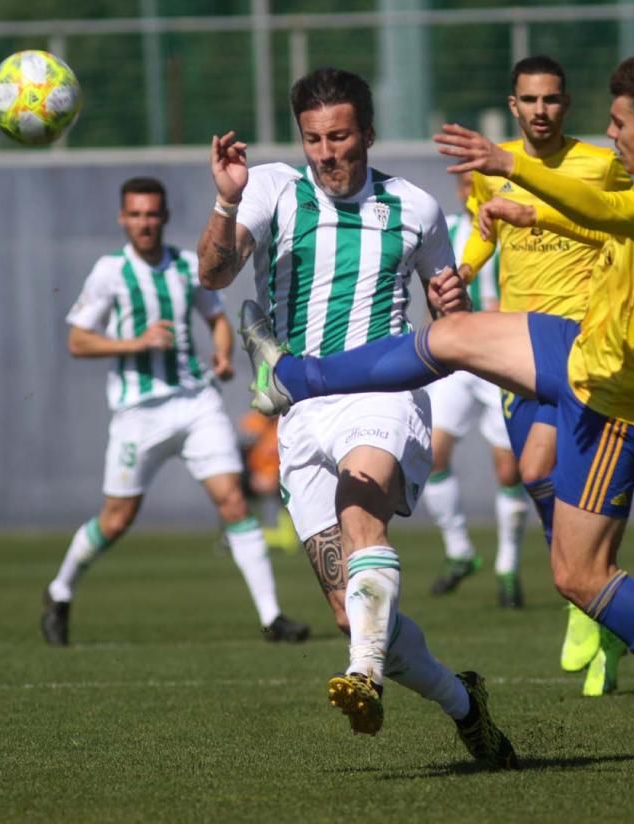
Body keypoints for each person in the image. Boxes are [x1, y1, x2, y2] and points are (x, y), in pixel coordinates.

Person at [241, 57, 634, 784]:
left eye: (618, 125)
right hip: (585, 349)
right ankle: (288, 375)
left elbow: (618, 216)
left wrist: (508, 166)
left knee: (580, 576)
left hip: (622, 394)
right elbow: (613, 233)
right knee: (454, 336)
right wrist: (531, 213)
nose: (609, 137)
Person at [195, 67, 518, 770]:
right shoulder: (273, 189)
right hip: (302, 409)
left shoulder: (415, 209)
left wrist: (453, 302)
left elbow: (446, 317)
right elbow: (215, 273)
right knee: (352, 611)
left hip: (383, 392)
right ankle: (465, 704)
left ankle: (363, 675)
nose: (326, 152)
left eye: (339, 136)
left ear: (366, 133)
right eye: (313, 138)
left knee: (361, 510)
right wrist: (225, 202)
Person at [41, 176, 309, 647]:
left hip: (195, 403)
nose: (145, 223)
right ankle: (60, 591)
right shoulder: (110, 272)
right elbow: (78, 340)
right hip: (137, 411)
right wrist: (135, 342)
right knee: (117, 519)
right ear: (123, 219)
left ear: (164, 217)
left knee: (233, 500)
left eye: (152, 214)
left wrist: (224, 355)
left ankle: (272, 618)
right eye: (136, 215)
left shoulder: (188, 266)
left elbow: (217, 320)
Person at [453, 55, 634, 693]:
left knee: (534, 468)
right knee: (545, 482)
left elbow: (622, 230)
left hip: (582, 346)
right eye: (529, 100)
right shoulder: (494, 166)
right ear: (513, 105)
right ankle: (600, 601)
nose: (540, 111)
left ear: (567, 104)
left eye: (552, 100)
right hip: (516, 348)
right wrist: (465, 270)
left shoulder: (601, 166)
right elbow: (484, 233)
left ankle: (582, 598)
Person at [422, 170, 531, 608]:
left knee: (509, 471)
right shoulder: (447, 230)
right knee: (432, 452)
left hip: (501, 357)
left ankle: (508, 565)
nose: (468, 191)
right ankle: (460, 551)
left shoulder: (511, 233)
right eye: (463, 184)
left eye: (476, 184)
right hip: (459, 357)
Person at [236, 410, 299, 553]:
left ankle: (287, 536)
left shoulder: (290, 422)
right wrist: (252, 475)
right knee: (230, 491)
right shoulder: (255, 422)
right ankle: (239, 534)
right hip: (256, 476)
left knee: (290, 486)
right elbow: (243, 453)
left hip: (281, 475)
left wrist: (275, 476)